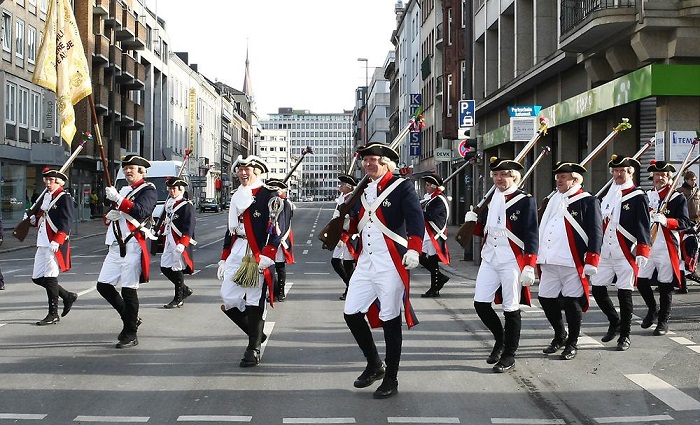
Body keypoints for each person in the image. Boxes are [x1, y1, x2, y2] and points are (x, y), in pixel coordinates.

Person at [343, 143, 424, 399]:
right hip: (366, 262)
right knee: (351, 312)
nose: (369, 164)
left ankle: (391, 377)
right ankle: (374, 364)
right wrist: (344, 223)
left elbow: (415, 219)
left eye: (375, 160)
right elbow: (356, 223)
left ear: (388, 163)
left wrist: (414, 248)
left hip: (391, 262)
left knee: (390, 318)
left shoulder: (402, 187)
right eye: (366, 160)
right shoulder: (361, 191)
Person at [464, 157, 538, 373]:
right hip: (490, 257)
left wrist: (530, 264)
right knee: (481, 303)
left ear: (513, 176)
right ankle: (500, 339)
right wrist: (472, 221)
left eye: (504, 174)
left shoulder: (525, 201)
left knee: (511, 307)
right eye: (496, 175)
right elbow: (484, 229)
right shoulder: (490, 199)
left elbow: (532, 233)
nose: (499, 178)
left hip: (512, 260)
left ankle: (509, 354)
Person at [218, 155, 288, 367]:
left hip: (258, 252)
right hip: (238, 249)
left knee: (254, 299)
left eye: (247, 169)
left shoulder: (270, 195)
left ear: (258, 171)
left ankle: (253, 348)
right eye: (240, 169)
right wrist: (223, 258)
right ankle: (256, 334)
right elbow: (231, 229)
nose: (243, 173)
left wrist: (269, 254)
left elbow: (279, 228)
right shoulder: (237, 195)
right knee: (228, 299)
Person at [537, 162, 602, 360]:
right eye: (557, 176)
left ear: (575, 179)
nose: (558, 179)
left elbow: (596, 232)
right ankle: (560, 334)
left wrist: (592, 259)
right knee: (545, 298)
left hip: (571, 261)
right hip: (549, 259)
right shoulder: (553, 200)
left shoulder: (588, 201)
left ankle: (572, 343)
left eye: (563, 177)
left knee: (572, 303)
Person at [96, 155, 157, 348]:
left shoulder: (148, 190)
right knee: (103, 286)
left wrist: (119, 200)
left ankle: (131, 332)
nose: (128, 171)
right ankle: (131, 318)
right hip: (116, 245)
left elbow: (141, 211)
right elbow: (115, 215)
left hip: (132, 246)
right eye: (126, 168)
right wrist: (110, 213)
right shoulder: (123, 190)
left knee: (129, 290)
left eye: (132, 168)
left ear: (142, 171)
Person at [590, 154, 651, 351]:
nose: (618, 174)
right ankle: (614, 320)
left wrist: (643, 249)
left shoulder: (638, 195)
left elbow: (643, 225)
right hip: (606, 251)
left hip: (626, 251)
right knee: (598, 288)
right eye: (615, 171)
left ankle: (625, 335)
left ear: (630, 173)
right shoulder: (609, 194)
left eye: (622, 171)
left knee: (625, 294)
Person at [636, 161, 690, 336]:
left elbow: (684, 223)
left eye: (664, 175)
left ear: (670, 178)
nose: (660, 178)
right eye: (657, 175)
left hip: (666, 247)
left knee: (665, 285)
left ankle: (663, 321)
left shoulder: (677, 198)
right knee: (641, 280)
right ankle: (653, 309)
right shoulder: (647, 196)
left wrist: (667, 221)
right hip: (648, 245)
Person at [27, 168, 76, 325]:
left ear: (58, 182)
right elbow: (44, 217)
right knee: (37, 277)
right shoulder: (47, 197)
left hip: (54, 242)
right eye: (46, 180)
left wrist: (59, 239)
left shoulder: (64, 197)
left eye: (51, 180)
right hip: (42, 242)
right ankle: (67, 296)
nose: (48, 183)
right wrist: (33, 220)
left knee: (50, 277)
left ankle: (53, 313)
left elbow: (66, 220)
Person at [159, 176, 195, 309]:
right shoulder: (169, 204)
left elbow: (189, 225)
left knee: (177, 267)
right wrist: (160, 230)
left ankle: (178, 298)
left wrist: (183, 242)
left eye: (174, 189)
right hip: (169, 239)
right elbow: (168, 221)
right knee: (164, 266)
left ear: (181, 189)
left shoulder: (186, 205)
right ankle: (184, 290)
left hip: (179, 241)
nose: (171, 191)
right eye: (170, 189)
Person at [419, 173, 450, 298]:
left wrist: (418, 212)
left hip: (435, 232)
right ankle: (440, 279)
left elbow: (430, 215)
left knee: (431, 260)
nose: (426, 187)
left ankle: (435, 287)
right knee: (421, 257)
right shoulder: (430, 198)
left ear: (434, 186)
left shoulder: (439, 200)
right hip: (427, 232)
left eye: (428, 185)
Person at [266, 179, 295, 302]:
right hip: (269, 237)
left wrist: (279, 239)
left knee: (279, 266)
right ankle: (274, 290)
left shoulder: (285, 203)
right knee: (269, 266)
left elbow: (284, 222)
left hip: (280, 237)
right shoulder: (270, 202)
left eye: (277, 189)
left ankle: (281, 292)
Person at [331, 174, 358, 300]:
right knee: (337, 261)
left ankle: (350, 288)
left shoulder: (353, 198)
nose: (340, 186)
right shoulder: (343, 197)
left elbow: (355, 215)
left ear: (349, 186)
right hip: (341, 232)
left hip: (349, 233)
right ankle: (350, 285)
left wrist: (345, 216)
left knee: (347, 263)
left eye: (342, 184)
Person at [677, 170, 700, 292]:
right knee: (682, 253)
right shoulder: (680, 192)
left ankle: (689, 273)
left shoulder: (698, 191)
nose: (694, 182)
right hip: (685, 224)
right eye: (692, 180)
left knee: (692, 252)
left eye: (695, 179)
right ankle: (682, 283)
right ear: (686, 180)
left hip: (696, 224)